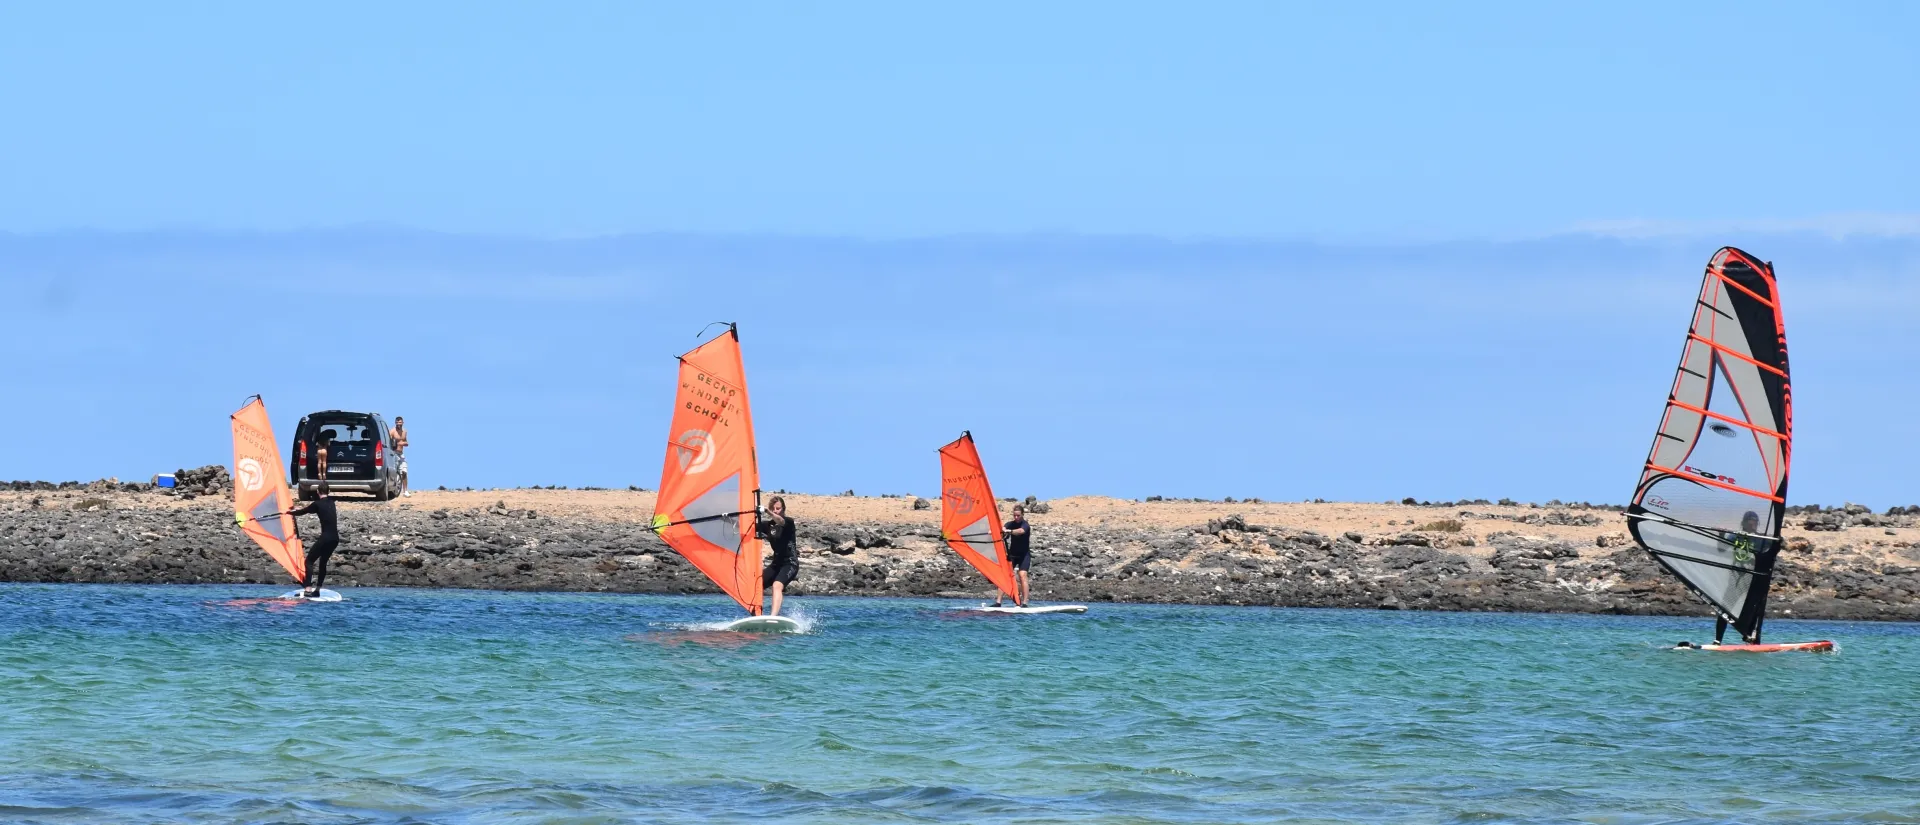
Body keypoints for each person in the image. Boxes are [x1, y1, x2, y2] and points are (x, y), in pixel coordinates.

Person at [1711, 510, 1766, 645]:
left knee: (1754, 608)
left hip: (1753, 578)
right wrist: (1721, 534)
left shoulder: (1762, 539)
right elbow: (1721, 549)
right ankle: (1718, 640)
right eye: (1750, 520)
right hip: (1736, 576)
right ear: (1744, 522)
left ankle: (1749, 636)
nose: (1753, 523)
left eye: (1755, 521)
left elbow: (1772, 552)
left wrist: (1779, 542)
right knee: (1725, 607)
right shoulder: (1736, 536)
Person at [288, 483, 339, 597]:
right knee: (323, 563)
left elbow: (303, 511)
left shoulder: (317, 504)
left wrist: (290, 512)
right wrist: (296, 510)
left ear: (317, 492)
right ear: (328, 491)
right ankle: (317, 590)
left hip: (326, 537)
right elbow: (307, 509)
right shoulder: (332, 502)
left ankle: (308, 589)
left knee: (309, 561)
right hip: (335, 539)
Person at [757, 496, 798, 616]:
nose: (775, 510)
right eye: (772, 508)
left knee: (777, 585)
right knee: (756, 585)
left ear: (783, 509)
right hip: (776, 564)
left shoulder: (788, 522)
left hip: (790, 563)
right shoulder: (768, 526)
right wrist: (727, 519)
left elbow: (780, 520)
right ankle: (756, 615)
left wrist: (767, 511)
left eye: (778, 508)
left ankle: (773, 617)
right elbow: (746, 526)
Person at [995, 504, 1032, 607]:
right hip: (1013, 554)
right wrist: (1001, 530)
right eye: (1014, 515)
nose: (1016, 518)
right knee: (1005, 576)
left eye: (1018, 516)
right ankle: (998, 602)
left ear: (1022, 515)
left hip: (1024, 555)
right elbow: (1002, 528)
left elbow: (1021, 531)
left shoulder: (1025, 525)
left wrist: (1009, 531)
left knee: (1022, 575)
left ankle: (1024, 603)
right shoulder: (1011, 524)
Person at [391, 416, 411, 497]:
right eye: (397, 422)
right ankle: (394, 490)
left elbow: (406, 442)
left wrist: (402, 443)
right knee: (395, 472)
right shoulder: (392, 431)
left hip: (401, 453)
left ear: (402, 423)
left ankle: (405, 491)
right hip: (394, 454)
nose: (399, 424)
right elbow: (388, 442)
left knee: (404, 471)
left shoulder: (404, 432)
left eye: (400, 422)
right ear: (395, 423)